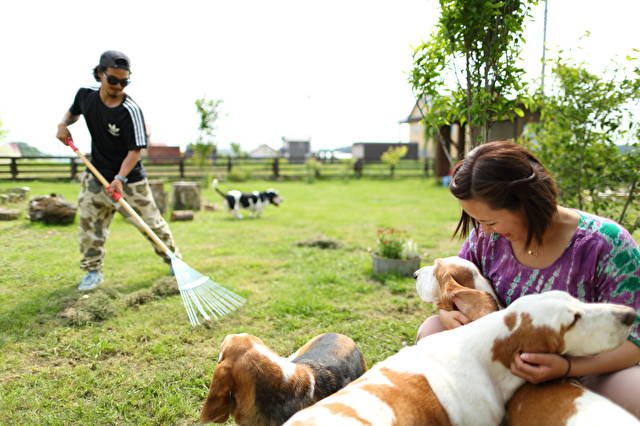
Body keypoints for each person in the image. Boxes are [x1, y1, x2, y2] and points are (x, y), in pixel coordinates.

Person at [416, 140, 640, 417]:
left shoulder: (607, 244)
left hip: (586, 367)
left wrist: (567, 367)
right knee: (433, 330)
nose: (484, 232)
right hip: (500, 363)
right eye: (478, 221)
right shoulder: (487, 239)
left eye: (492, 221)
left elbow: (636, 340)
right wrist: (447, 311)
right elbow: (455, 281)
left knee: (636, 392)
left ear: (528, 203)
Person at [56, 50, 180, 291]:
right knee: (90, 225)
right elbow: (73, 112)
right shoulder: (86, 96)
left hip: (130, 181)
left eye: (124, 81)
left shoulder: (130, 111)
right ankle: (92, 271)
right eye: (113, 80)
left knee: (152, 224)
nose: (118, 86)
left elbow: (136, 150)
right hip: (96, 176)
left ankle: (174, 260)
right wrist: (63, 124)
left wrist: (120, 178)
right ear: (99, 74)